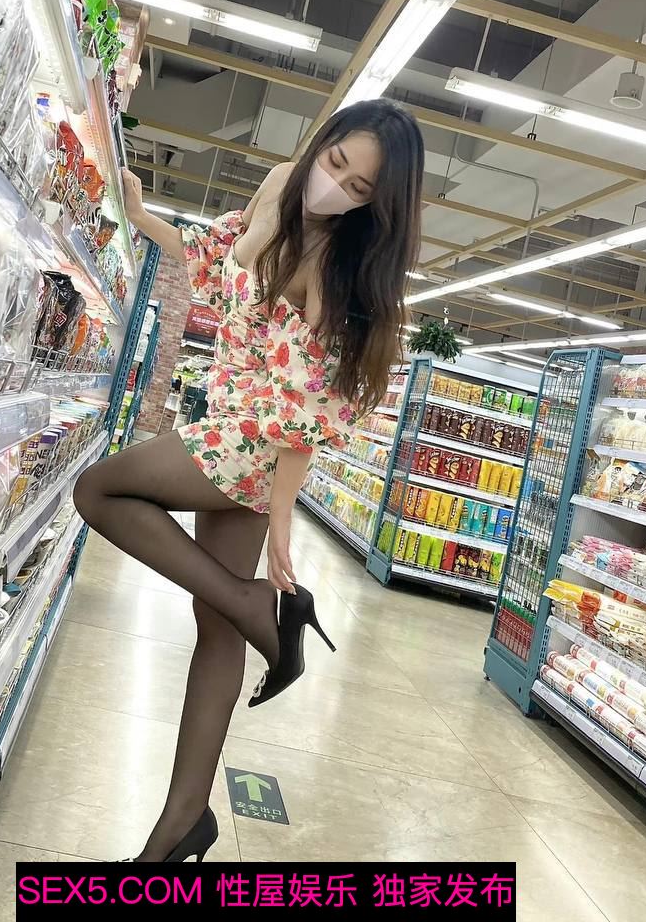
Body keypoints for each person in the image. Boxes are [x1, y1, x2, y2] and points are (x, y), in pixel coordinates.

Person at [73, 99, 424, 862]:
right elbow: (211, 261)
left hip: (253, 440)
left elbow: (307, 407)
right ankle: (181, 826)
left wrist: (281, 524)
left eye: (359, 188)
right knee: (214, 624)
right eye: (335, 162)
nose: (335, 187)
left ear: (377, 205)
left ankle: (259, 610)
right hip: (230, 416)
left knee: (98, 490)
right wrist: (141, 216)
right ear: (321, 142)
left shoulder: (333, 268)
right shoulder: (278, 191)